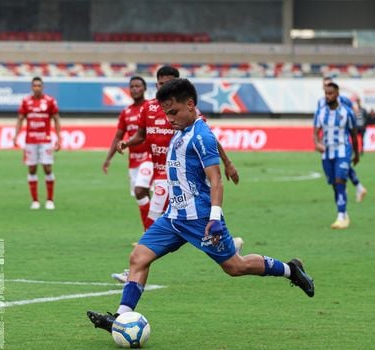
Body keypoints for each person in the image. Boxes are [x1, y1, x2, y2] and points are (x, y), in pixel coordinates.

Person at [87, 79, 314, 335]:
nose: (169, 118)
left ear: (190, 104)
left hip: (200, 220)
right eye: (166, 113)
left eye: (173, 112)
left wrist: (215, 217)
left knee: (235, 267)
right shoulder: (181, 131)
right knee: (138, 258)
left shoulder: (200, 135)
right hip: (174, 217)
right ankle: (121, 318)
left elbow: (216, 180)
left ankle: (290, 270)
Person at [111, 66, 242, 283]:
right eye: (161, 83)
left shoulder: (188, 115)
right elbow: (141, 134)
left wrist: (227, 162)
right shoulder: (150, 109)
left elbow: (208, 140)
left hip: (177, 178)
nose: (164, 87)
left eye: (169, 82)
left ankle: (136, 267)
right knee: (149, 208)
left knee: (153, 218)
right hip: (158, 170)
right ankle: (139, 265)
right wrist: (127, 142)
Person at [102, 76, 153, 230]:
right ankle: (149, 231)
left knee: (140, 191)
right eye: (132, 86)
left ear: (144, 89)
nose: (135, 89)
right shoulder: (126, 112)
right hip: (133, 161)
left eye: (138, 86)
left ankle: (153, 231)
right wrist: (108, 158)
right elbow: (118, 136)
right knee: (143, 196)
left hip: (150, 158)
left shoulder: (151, 107)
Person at [313, 82, 359, 229]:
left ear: (337, 94)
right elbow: (315, 133)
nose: (328, 96)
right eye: (326, 93)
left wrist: (356, 153)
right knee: (334, 184)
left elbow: (353, 134)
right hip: (327, 153)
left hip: (343, 150)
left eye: (330, 93)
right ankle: (344, 214)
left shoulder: (347, 112)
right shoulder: (320, 112)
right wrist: (318, 143)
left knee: (340, 181)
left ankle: (341, 215)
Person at [13, 77, 61, 210]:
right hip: (31, 141)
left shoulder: (50, 101)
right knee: (32, 169)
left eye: (39, 85)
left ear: (43, 87)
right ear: (31, 87)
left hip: (45, 140)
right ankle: (35, 201)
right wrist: (16, 135)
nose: (37, 88)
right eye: (34, 85)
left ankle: (50, 200)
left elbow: (56, 119)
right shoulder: (26, 101)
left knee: (47, 168)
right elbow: (20, 119)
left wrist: (59, 138)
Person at [319, 77, 367, 203]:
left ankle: (349, 192)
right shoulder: (321, 103)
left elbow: (353, 111)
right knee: (341, 166)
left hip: (342, 141)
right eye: (325, 85)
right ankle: (358, 187)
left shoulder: (343, 101)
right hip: (328, 143)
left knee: (342, 164)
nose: (327, 87)